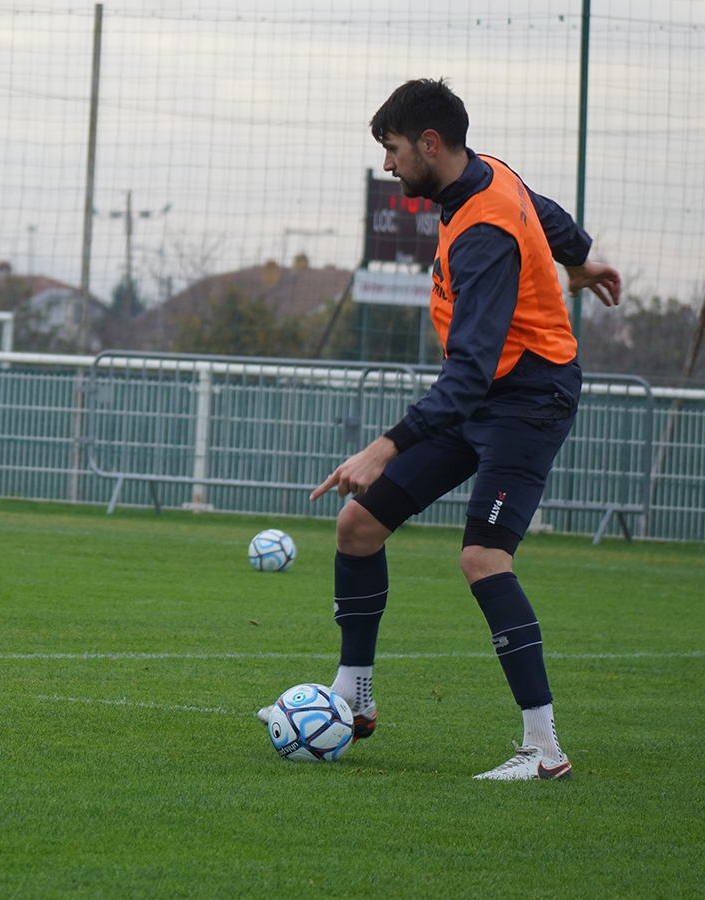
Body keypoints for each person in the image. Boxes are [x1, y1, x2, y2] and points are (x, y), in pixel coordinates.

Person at [260, 78, 620, 780]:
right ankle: (354, 698)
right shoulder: (490, 178)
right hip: (483, 398)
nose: (388, 167)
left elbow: (469, 374)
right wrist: (577, 262)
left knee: (483, 558)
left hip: (526, 399)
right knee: (358, 528)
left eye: (393, 151)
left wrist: (382, 445)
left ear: (429, 143)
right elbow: (555, 223)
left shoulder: (482, 232)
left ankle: (543, 751)